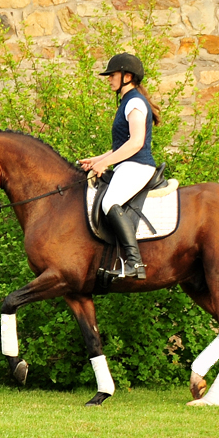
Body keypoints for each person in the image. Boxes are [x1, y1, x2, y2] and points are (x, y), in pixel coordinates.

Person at [79, 53, 161, 280]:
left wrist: (105, 163)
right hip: (127, 165)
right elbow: (121, 145)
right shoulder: (127, 101)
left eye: (112, 75)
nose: (109, 79)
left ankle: (135, 263)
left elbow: (136, 142)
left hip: (138, 166)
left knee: (109, 202)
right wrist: (97, 160)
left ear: (128, 76)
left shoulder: (134, 102)